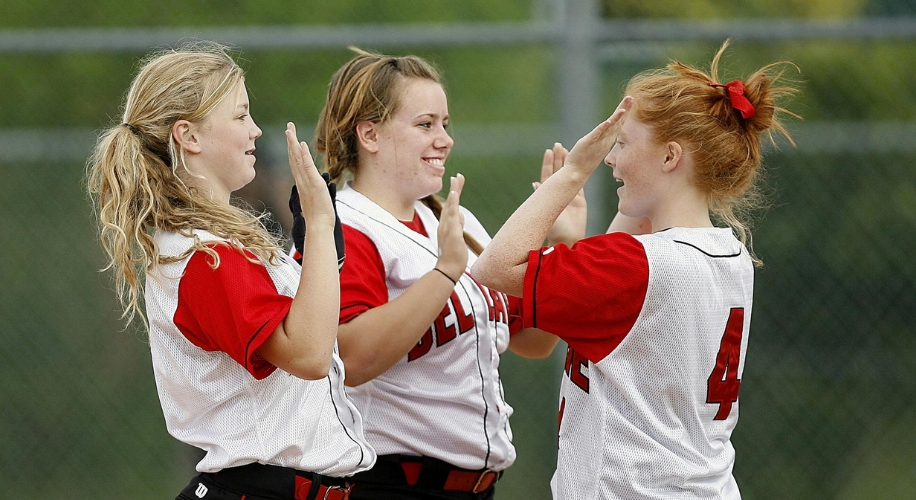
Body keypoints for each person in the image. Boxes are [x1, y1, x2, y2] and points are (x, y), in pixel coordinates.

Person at [471, 41, 798, 499]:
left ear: (670, 157)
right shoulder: (729, 255)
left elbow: (493, 267)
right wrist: (570, 243)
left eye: (621, 144)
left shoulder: (638, 266)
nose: (608, 158)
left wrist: (570, 177)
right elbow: (620, 283)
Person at [86, 42, 375, 500]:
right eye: (240, 116)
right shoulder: (204, 255)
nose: (255, 130)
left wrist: (317, 257)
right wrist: (319, 227)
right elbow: (308, 356)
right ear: (190, 136)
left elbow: (300, 334)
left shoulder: (216, 246)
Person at [300, 47, 568, 500]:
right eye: (425, 125)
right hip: (386, 484)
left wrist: (561, 244)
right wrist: (444, 274)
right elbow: (352, 360)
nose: (444, 139)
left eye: (445, 125)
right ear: (370, 134)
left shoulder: (450, 222)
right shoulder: (346, 227)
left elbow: (534, 341)